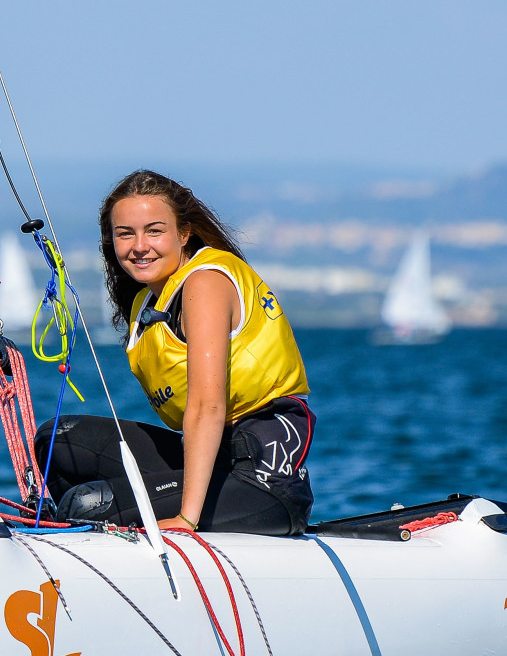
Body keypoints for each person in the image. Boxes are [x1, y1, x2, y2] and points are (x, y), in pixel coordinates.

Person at [33, 170, 314, 535]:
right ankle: (72, 538)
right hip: (208, 462)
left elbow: (207, 407)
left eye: (154, 231)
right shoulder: (147, 304)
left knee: (91, 504)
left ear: (184, 233)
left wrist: (186, 519)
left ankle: (95, 535)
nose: (139, 245)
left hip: (263, 482)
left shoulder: (204, 284)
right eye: (125, 233)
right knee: (58, 440)